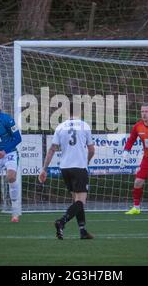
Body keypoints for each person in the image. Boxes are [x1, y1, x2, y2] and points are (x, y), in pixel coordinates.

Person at [38, 103, 95, 240]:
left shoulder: (60, 127)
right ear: (79, 112)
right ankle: (61, 222)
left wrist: (44, 169)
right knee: (81, 202)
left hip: (65, 168)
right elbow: (92, 150)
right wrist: (86, 162)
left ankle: (82, 230)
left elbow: (52, 149)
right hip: (79, 168)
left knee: (76, 200)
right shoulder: (84, 125)